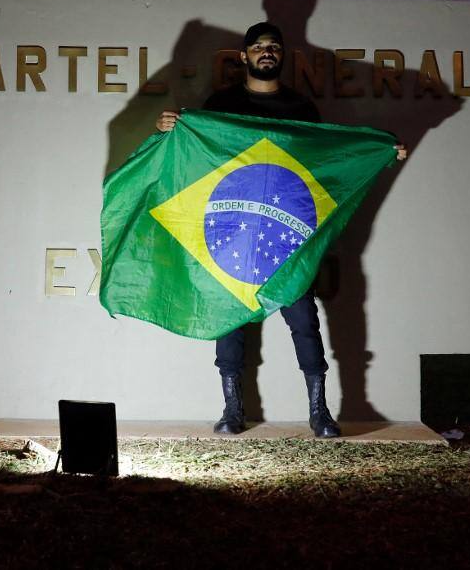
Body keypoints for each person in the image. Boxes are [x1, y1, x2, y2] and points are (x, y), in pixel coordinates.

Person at [155, 22, 407, 438]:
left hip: (286, 233)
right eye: (257, 46)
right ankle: (232, 411)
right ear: (244, 56)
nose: (265, 52)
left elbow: (325, 159)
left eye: (273, 46)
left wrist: (379, 152)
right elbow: (200, 153)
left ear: (282, 55)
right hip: (234, 230)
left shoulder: (301, 108)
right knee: (230, 320)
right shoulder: (222, 102)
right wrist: (169, 129)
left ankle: (320, 412)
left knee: (304, 320)